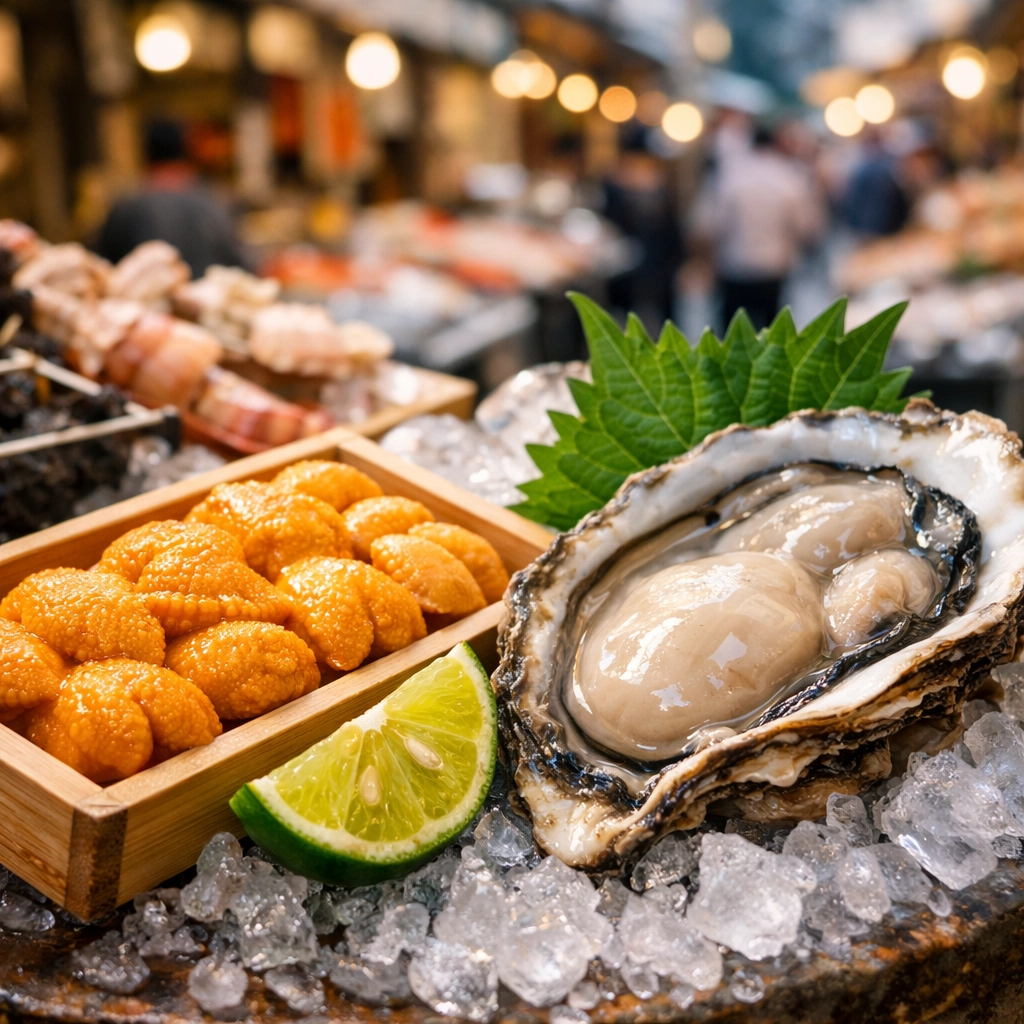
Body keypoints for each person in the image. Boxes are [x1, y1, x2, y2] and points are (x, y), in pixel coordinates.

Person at [691, 123, 824, 331]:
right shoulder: (788, 177)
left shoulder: (730, 175)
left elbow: (710, 225)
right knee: (772, 333)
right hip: (774, 266)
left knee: (734, 335)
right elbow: (806, 226)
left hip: (735, 265)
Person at [95, 119, 245, 277]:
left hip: (146, 293)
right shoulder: (215, 201)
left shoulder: (126, 207)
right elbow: (239, 263)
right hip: (211, 291)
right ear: (187, 149)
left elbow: (104, 268)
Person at [603, 126, 684, 332]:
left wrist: (679, 260)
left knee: (666, 320)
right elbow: (610, 225)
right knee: (628, 320)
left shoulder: (662, 184)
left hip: (660, 264)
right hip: (626, 267)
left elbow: (671, 227)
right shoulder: (614, 185)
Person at [842, 132, 910, 237]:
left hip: (871, 224)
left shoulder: (862, 169)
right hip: (884, 223)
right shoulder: (888, 165)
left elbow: (854, 201)